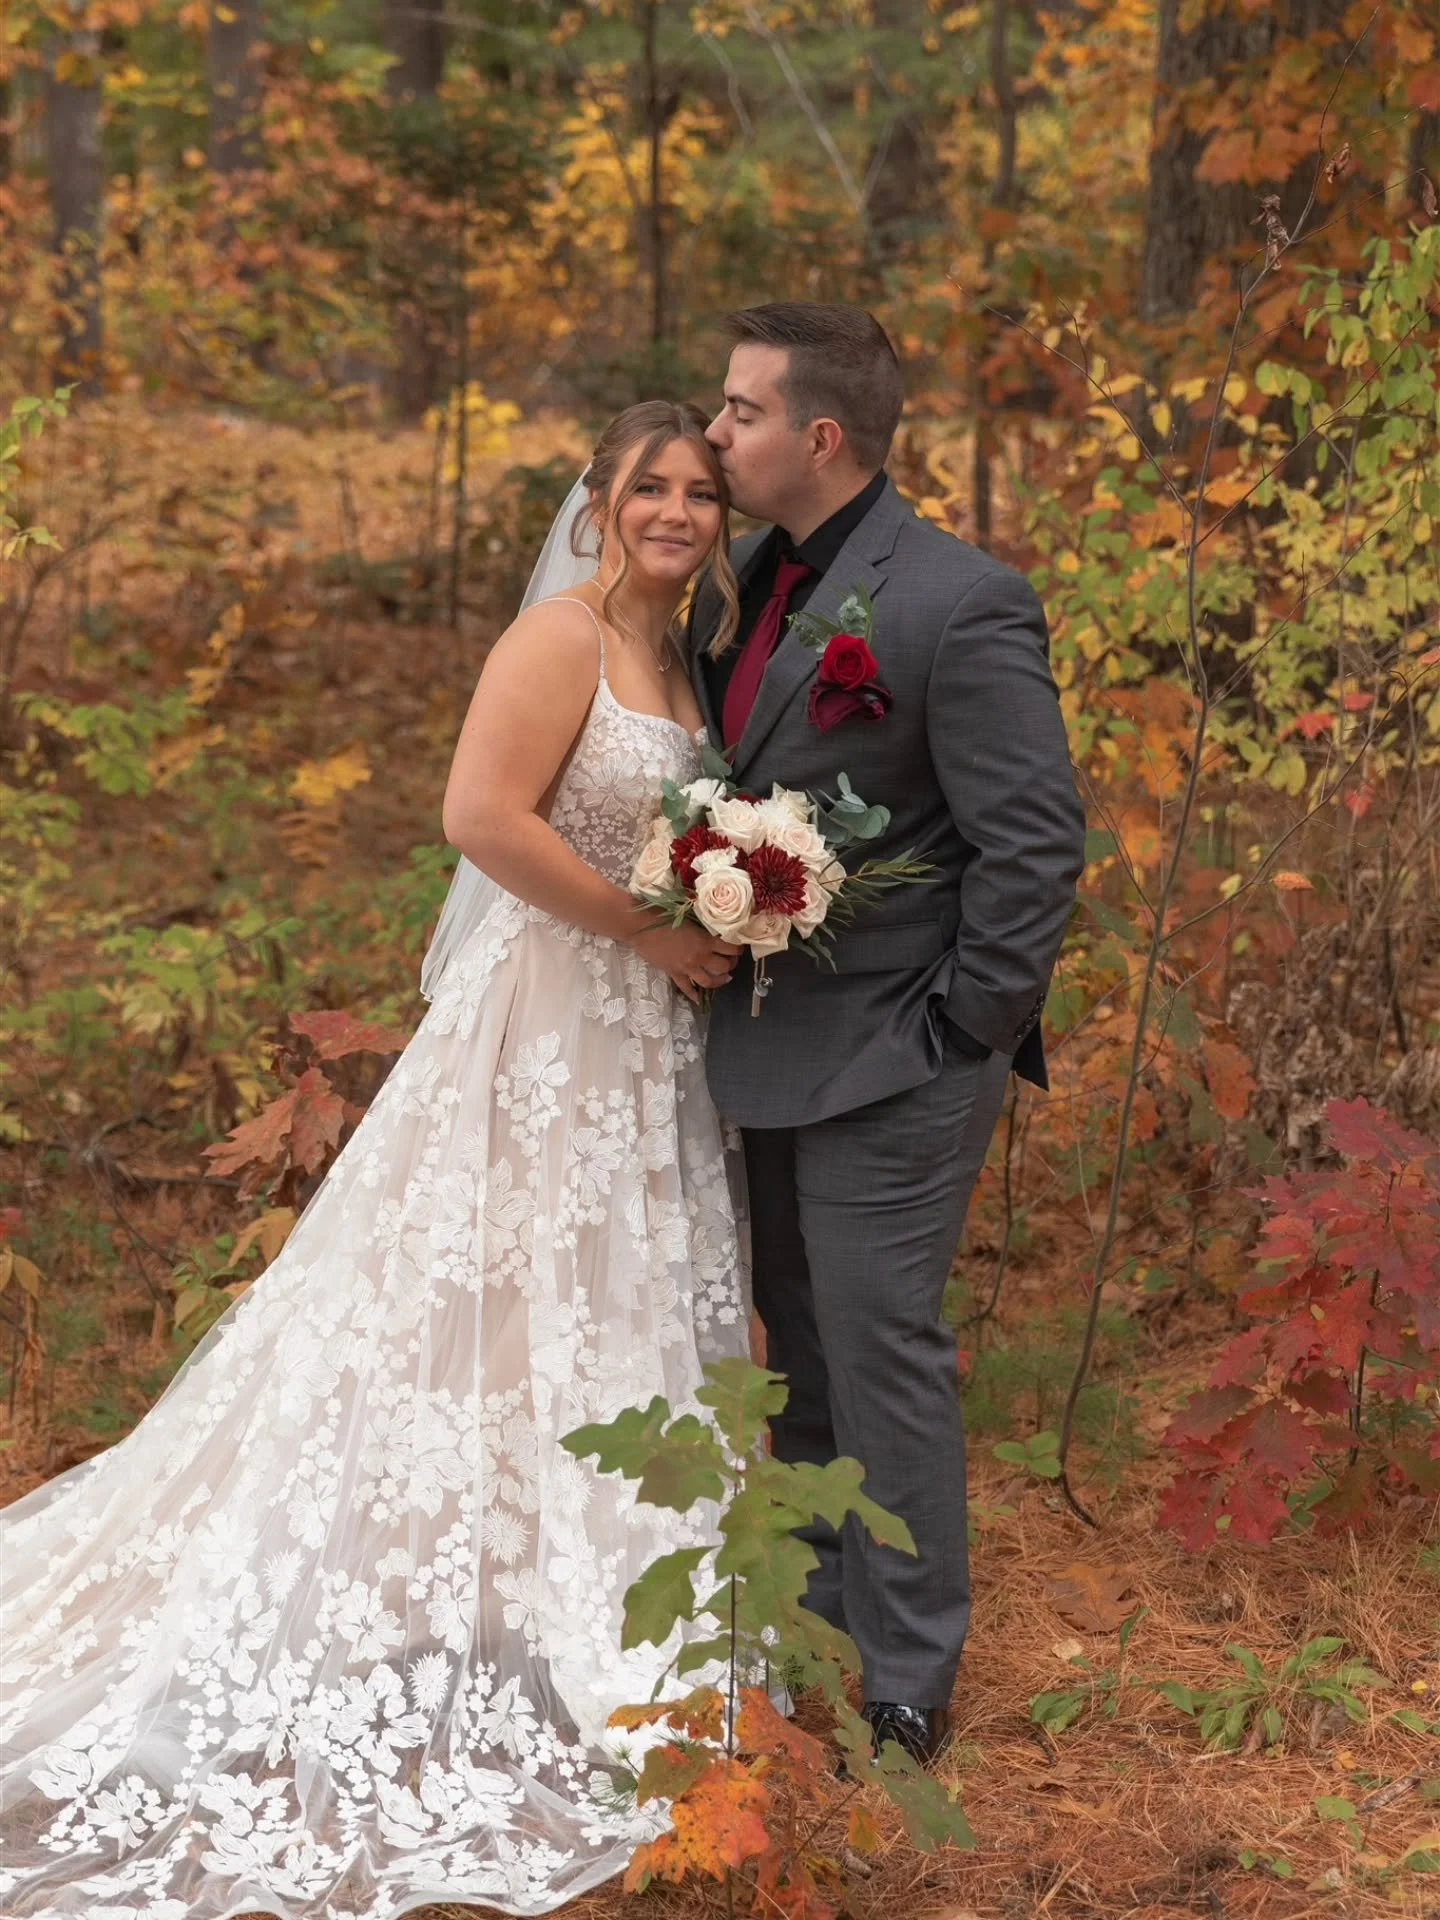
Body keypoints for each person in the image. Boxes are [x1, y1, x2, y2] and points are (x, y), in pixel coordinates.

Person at [0, 401, 752, 1920]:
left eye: (700, 491)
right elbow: (479, 815)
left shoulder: (685, 656)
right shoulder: (560, 635)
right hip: (548, 1017)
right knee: (469, 1291)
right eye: (648, 486)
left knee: (597, 1300)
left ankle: (575, 1585)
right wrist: (649, 926)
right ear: (597, 500)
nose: (675, 509)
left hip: (648, 1032)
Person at [688, 302, 1086, 1765]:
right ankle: (821, 1627)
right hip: (759, 1041)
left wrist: (964, 1026)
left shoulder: (958, 601)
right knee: (793, 1349)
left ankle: (910, 1672)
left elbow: (1032, 845)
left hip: (900, 1057)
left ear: (821, 435)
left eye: (738, 411)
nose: (716, 432)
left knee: (881, 1349)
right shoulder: (739, 580)